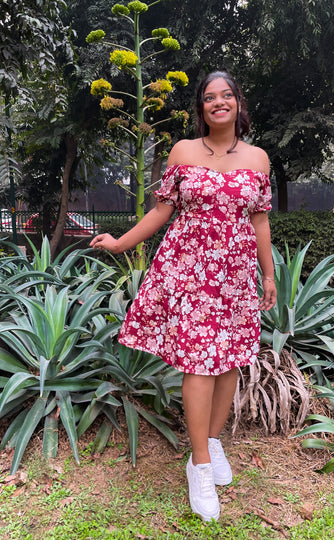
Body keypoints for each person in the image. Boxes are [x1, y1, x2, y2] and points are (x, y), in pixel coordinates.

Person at [90, 70, 277, 522]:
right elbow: (161, 210)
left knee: (230, 360)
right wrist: (120, 243)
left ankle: (212, 440)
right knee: (198, 364)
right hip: (189, 271)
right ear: (201, 109)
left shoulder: (258, 159)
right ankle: (200, 464)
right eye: (209, 97)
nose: (218, 102)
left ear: (238, 103)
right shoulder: (183, 152)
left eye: (226, 95)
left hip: (234, 276)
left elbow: (260, 223)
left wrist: (268, 276)